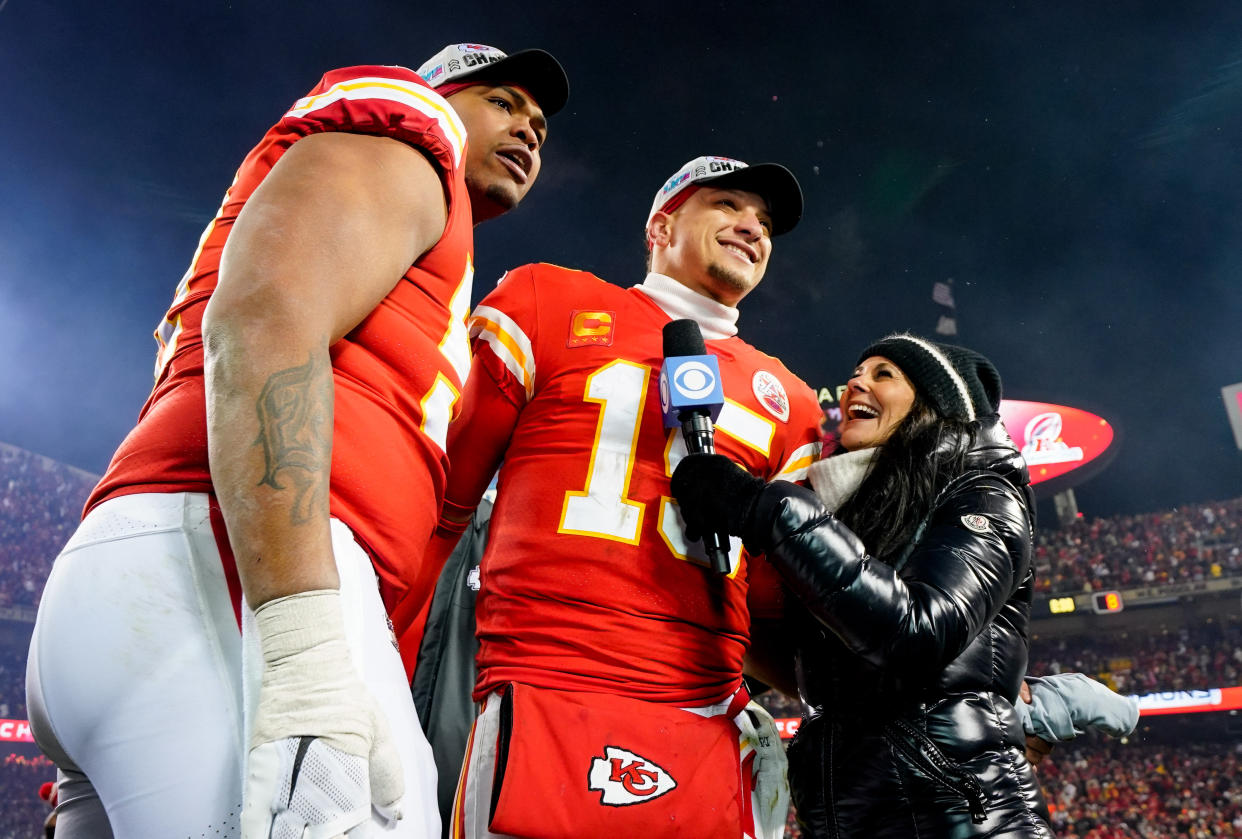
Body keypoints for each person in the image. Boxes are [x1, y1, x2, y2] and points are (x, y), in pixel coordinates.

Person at [25, 43, 569, 839]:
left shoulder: (408, 234)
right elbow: (260, 321)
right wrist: (305, 658)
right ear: (441, 91)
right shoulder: (407, 131)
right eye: (504, 101)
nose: (530, 129)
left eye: (542, 125)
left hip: (176, 581)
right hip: (237, 586)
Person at [426, 156, 822, 838]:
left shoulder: (793, 401)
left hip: (705, 710)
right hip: (546, 681)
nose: (752, 228)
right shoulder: (545, 300)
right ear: (661, 225)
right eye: (728, 205)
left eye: (763, 224)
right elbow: (444, 501)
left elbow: (770, 608)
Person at [671, 333, 1056, 837]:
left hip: (960, 819)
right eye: (857, 371)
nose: (856, 381)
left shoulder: (984, 491)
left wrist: (767, 510)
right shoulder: (857, 512)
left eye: (883, 374)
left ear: (936, 404)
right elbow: (823, 675)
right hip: (847, 817)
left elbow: (916, 634)